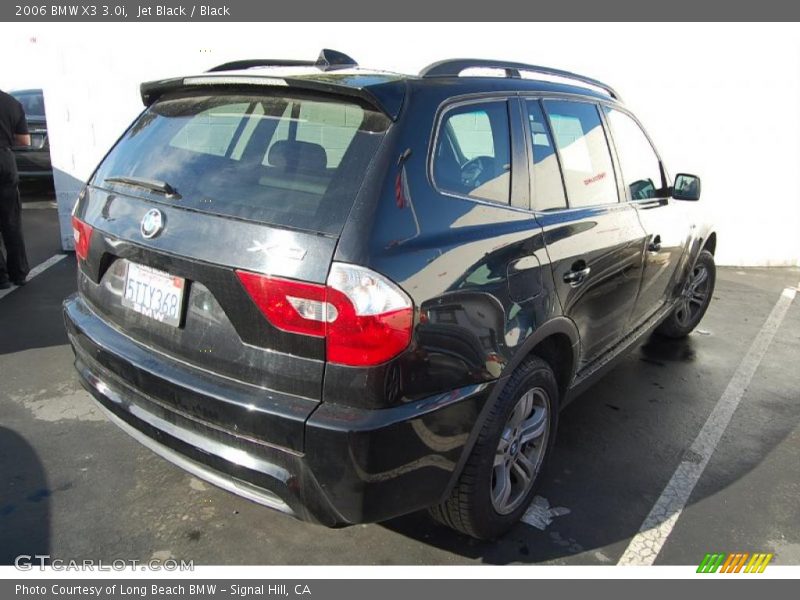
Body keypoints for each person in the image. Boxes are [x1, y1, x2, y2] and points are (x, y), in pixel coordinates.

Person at [0, 88, 30, 289]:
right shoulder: (11, 102)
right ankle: (18, 273)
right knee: (11, 221)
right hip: (5, 162)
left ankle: (1, 278)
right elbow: (24, 141)